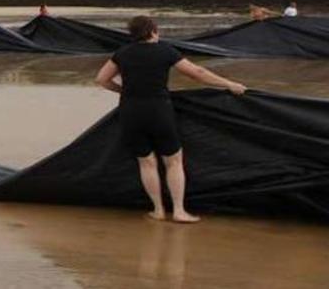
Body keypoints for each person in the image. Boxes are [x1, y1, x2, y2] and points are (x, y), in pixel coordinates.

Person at [95, 15, 246, 224]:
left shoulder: (122, 53)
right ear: (153, 31)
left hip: (130, 110)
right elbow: (197, 72)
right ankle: (178, 210)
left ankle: (157, 210)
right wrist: (229, 84)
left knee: (146, 162)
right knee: (173, 161)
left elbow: (101, 79)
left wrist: (123, 90)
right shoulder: (165, 50)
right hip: (158, 110)